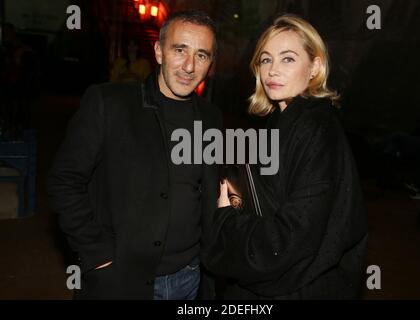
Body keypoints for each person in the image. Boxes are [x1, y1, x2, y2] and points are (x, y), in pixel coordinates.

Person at [47, 10, 221, 300]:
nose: (189, 66)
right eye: (180, 50)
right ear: (159, 51)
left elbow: (201, 189)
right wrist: (97, 255)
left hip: (190, 278)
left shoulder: (211, 117)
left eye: (201, 55)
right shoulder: (109, 103)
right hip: (122, 279)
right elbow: (64, 180)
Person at [203, 14, 368, 299]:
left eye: (288, 59)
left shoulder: (316, 128)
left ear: (315, 67)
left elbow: (293, 237)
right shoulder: (279, 122)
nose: (272, 70)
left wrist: (225, 220)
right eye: (266, 59)